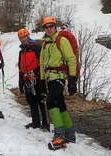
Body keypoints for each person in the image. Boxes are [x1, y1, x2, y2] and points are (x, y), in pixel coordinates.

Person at [40, 16, 77, 150]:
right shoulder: (45, 43)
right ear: (44, 29)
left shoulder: (61, 40)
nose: (49, 29)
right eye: (46, 27)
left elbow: (71, 59)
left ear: (55, 27)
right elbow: (42, 63)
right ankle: (70, 133)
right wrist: (42, 80)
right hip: (49, 78)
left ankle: (60, 136)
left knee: (51, 102)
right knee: (60, 103)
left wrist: (73, 79)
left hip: (59, 77)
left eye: (51, 26)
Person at [17, 28, 49, 131]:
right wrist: (21, 82)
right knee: (31, 101)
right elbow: (21, 68)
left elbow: (43, 63)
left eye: (24, 36)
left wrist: (39, 75)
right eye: (21, 38)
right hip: (27, 79)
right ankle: (36, 122)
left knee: (41, 100)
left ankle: (45, 123)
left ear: (28, 36)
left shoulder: (37, 47)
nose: (23, 39)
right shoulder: (21, 51)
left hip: (38, 79)